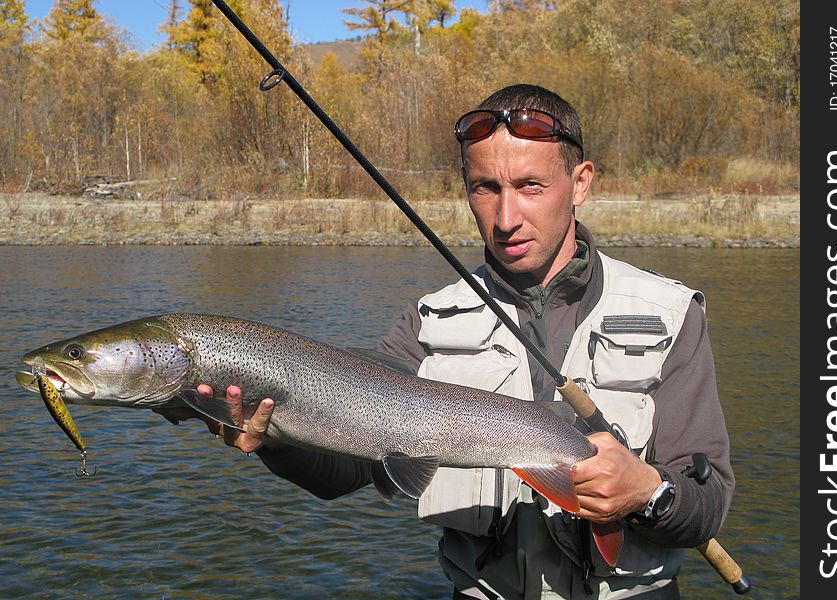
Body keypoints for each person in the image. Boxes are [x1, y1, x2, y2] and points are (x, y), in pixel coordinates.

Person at [156, 84, 734, 599]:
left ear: (580, 184)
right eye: (485, 188)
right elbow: (351, 474)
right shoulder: (427, 322)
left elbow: (708, 504)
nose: (506, 217)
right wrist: (277, 438)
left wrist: (649, 493)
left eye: (531, 185)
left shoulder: (671, 314)